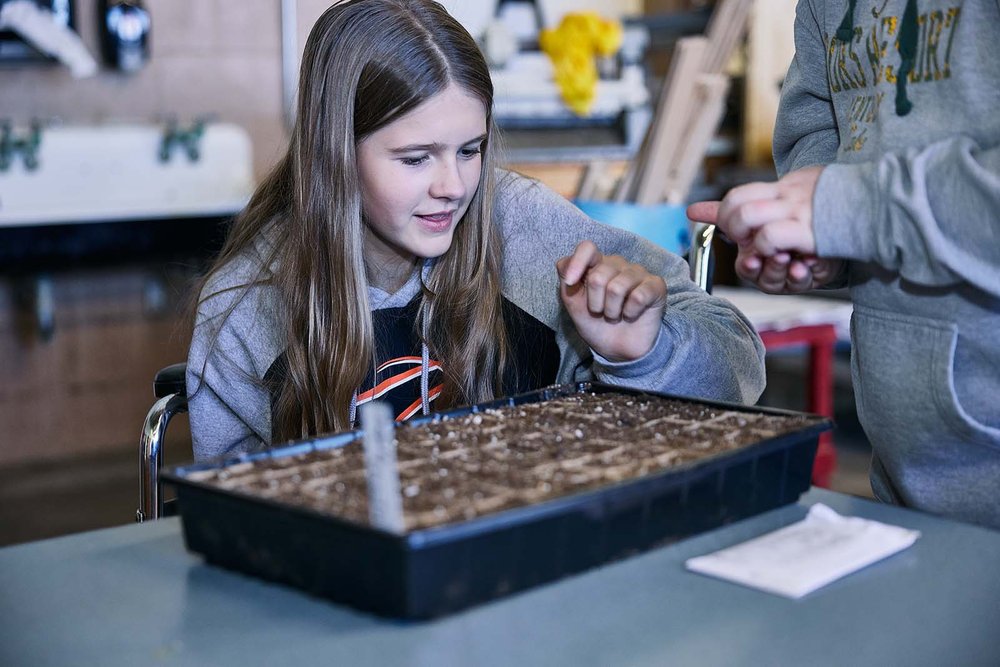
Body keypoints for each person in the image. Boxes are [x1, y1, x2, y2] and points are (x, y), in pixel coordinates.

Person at [188, 0, 765, 462]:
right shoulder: (247, 305)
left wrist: (644, 353)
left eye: (471, 150)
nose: (453, 186)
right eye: (415, 158)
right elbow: (230, 510)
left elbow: (742, 368)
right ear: (334, 156)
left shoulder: (527, 228)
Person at [688, 0, 1000, 529]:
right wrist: (822, 242)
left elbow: (858, 201)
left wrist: (853, 208)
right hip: (910, 476)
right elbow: (821, 132)